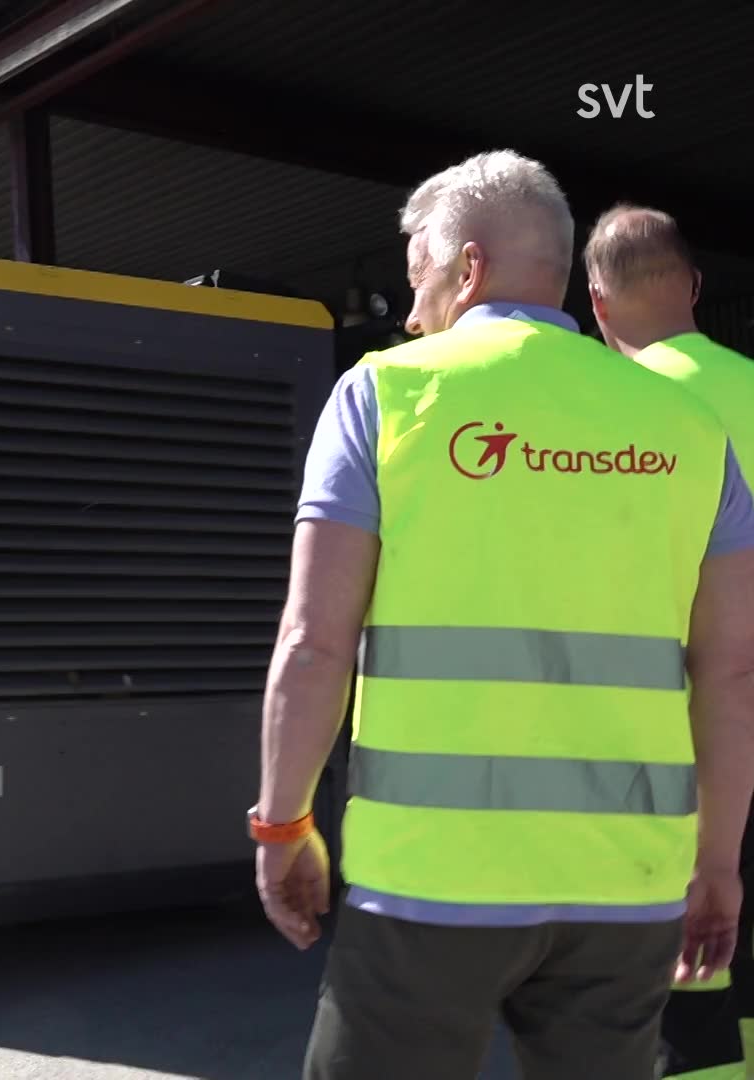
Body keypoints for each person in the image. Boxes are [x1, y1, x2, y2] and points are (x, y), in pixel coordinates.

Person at [248, 149, 754, 1080]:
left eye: (418, 279)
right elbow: (728, 673)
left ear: (469, 266)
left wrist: (283, 826)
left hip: (429, 883)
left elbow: (313, 644)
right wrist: (716, 862)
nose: (410, 314)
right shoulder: (689, 429)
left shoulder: (384, 395)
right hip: (629, 882)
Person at [585, 203, 754, 1079]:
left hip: (673, 747)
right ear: (692, 285)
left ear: (596, 302)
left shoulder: (603, 417)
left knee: (689, 993)